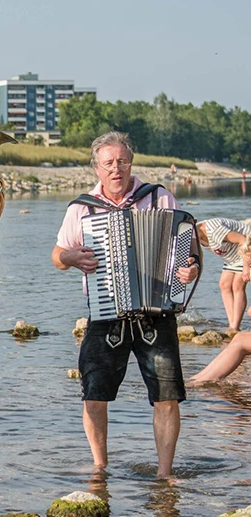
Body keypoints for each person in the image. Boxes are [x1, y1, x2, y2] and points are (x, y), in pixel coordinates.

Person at [50, 131, 199, 477]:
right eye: (108, 163)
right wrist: (71, 257)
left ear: (131, 162)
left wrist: (188, 270)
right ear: (96, 169)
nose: (116, 168)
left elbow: (188, 251)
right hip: (105, 313)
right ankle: (100, 466)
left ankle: (164, 473)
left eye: (122, 161)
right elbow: (57, 256)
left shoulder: (159, 198)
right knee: (93, 393)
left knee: (166, 396)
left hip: (157, 312)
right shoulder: (82, 208)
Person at [195, 218, 251, 333]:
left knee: (237, 285)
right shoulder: (195, 237)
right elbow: (199, 256)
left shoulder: (213, 230)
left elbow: (243, 239)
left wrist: (246, 267)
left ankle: (234, 327)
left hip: (246, 250)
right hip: (233, 257)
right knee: (224, 284)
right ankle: (232, 324)